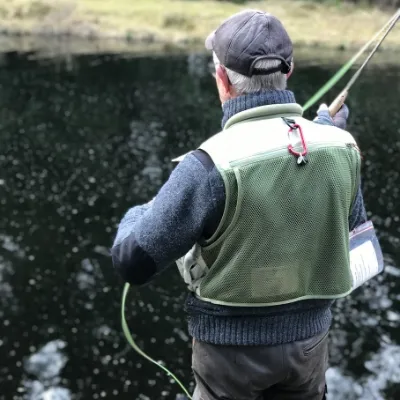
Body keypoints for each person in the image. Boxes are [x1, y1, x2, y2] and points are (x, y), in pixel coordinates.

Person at [111, 9, 367, 400]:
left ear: (222, 81)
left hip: (228, 357)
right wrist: (327, 136)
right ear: (290, 70)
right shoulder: (343, 150)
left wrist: (139, 213)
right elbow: (351, 231)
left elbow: (132, 263)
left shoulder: (207, 165)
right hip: (309, 351)